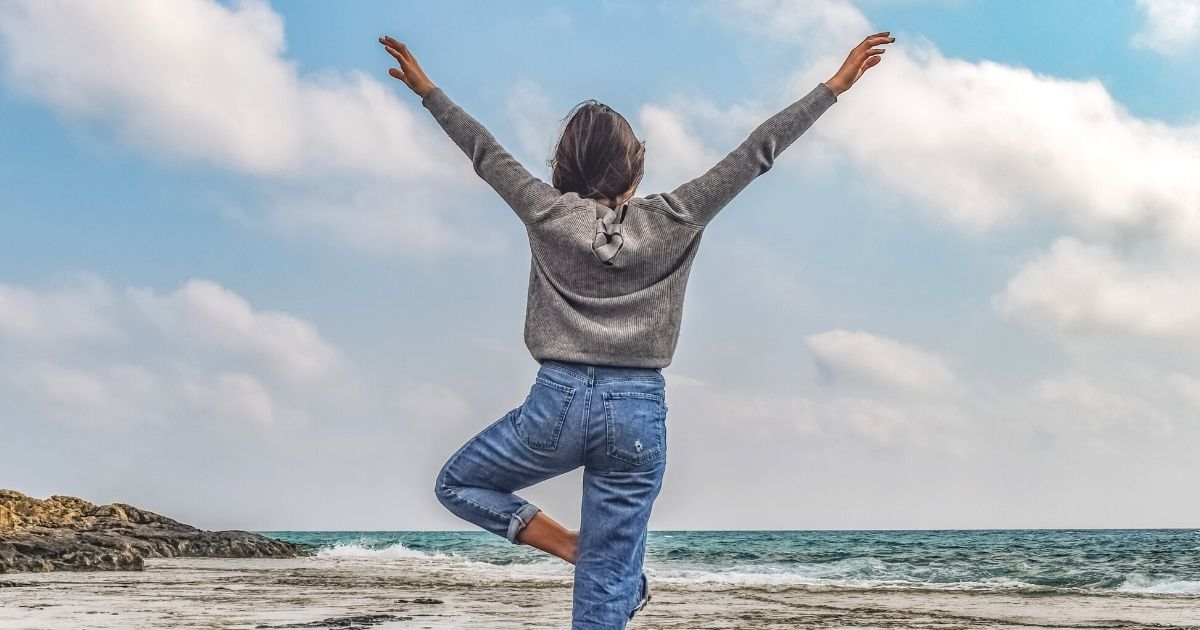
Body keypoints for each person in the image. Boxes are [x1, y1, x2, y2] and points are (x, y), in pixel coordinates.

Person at [379, 30, 893, 629]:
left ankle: (574, 549)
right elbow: (757, 152)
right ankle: (593, 560)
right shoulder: (677, 216)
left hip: (557, 403)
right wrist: (833, 88)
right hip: (637, 413)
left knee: (458, 483)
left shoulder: (547, 211)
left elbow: (484, 154)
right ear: (636, 167)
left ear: (563, 168)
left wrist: (428, 93)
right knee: (605, 586)